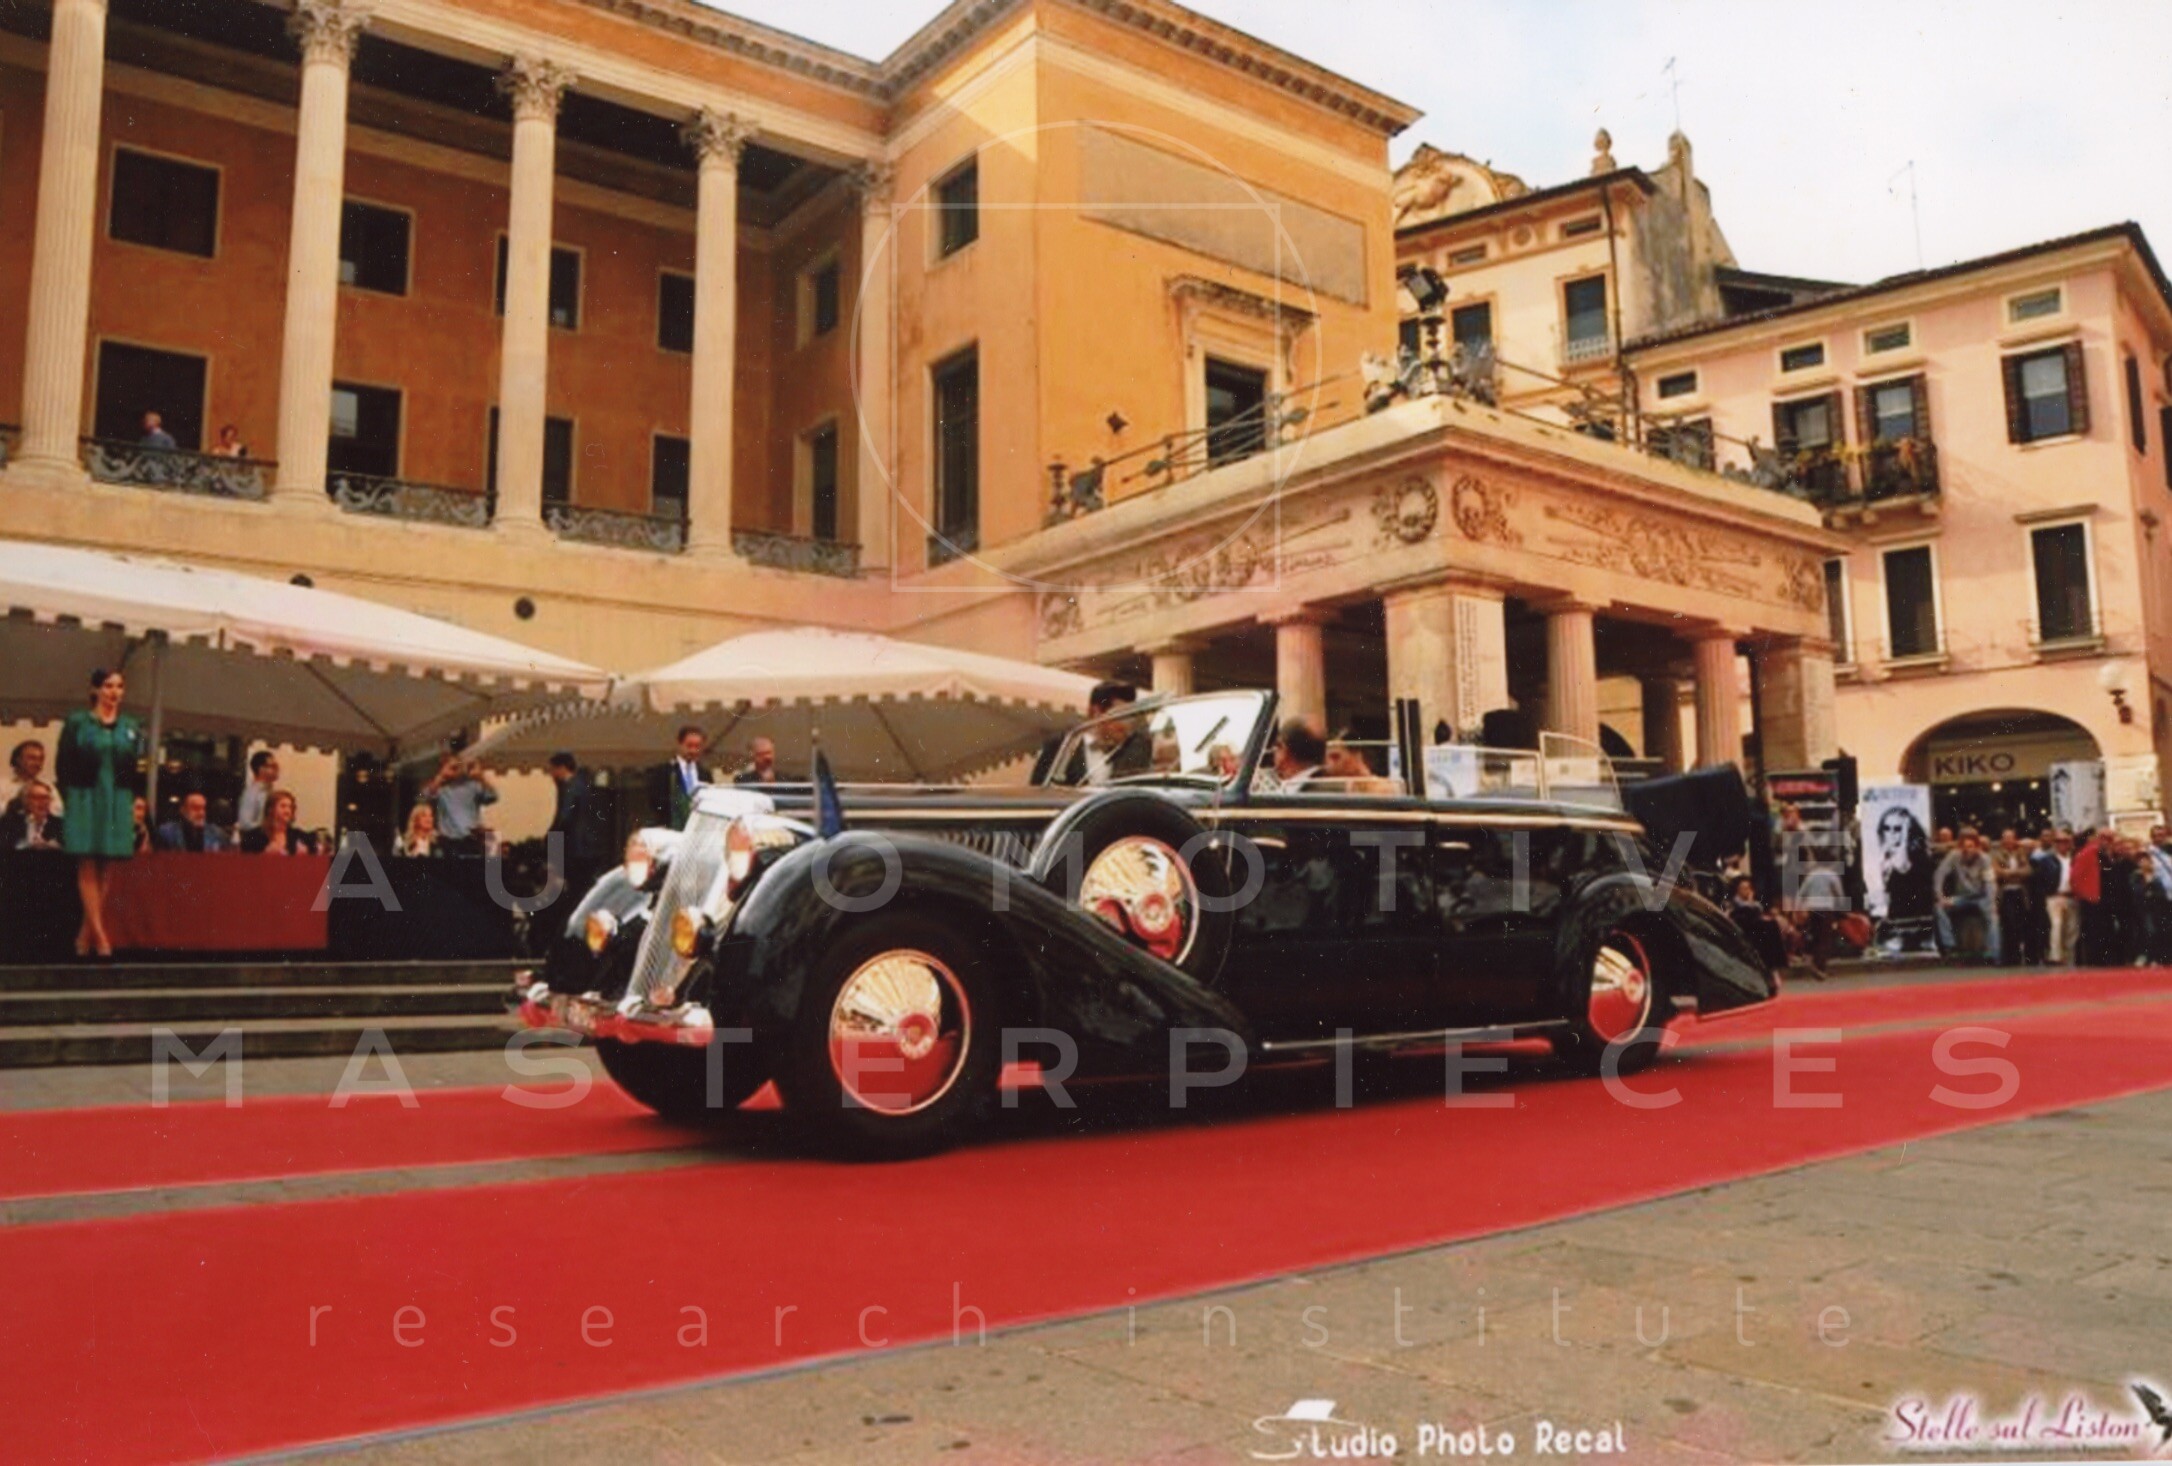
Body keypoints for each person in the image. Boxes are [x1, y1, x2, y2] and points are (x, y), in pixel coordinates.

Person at [56, 668, 145, 958]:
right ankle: (101, 936)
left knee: (107, 863)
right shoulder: (78, 723)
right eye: (108, 686)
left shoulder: (131, 726)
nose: (114, 692)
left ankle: (86, 934)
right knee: (87, 860)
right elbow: (63, 763)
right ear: (95, 690)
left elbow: (136, 766)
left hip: (117, 796)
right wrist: (71, 797)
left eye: (119, 686)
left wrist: (132, 799)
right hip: (85, 794)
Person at [1032, 682, 1137, 785]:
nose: (1128, 724)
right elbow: (1038, 789)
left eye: (1132, 716)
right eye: (1122, 716)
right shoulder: (1061, 747)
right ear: (1096, 712)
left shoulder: (1132, 751)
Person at [1932, 826, 2001, 963]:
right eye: (1964, 846)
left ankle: (1994, 953)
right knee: (1939, 907)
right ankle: (1950, 946)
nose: (1967, 850)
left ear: (1977, 846)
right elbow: (1939, 875)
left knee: (1993, 917)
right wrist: (1940, 896)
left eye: (1970, 846)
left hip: (1981, 897)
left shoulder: (1985, 859)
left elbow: (1990, 883)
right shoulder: (1954, 856)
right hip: (1962, 898)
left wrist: (1991, 902)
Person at [423, 753, 497, 857]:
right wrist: (440, 776)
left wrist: (481, 777)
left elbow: (493, 797)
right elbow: (424, 796)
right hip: (448, 841)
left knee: (489, 859)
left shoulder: (473, 786)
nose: (455, 770)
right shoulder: (441, 789)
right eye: (453, 767)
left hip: (471, 839)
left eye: (458, 767)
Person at [1873, 804, 1936, 924]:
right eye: (1887, 828)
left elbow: (1901, 864)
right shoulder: (1885, 859)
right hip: (1895, 917)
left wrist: (1905, 837)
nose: (1891, 833)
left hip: (1917, 918)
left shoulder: (1917, 858)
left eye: (1897, 828)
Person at [546, 752, 611, 867]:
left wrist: (551, 837)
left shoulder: (571, 788)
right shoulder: (583, 784)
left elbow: (565, 816)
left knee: (571, 874)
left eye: (553, 769)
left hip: (576, 844)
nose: (551, 773)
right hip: (587, 844)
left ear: (562, 768)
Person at [1991, 828, 2038, 966]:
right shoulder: (1996, 854)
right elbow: (1997, 872)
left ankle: (2018, 956)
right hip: (2005, 893)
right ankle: (2008, 957)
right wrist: (2015, 873)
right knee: (2008, 924)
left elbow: (2028, 870)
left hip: (2020, 893)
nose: (2008, 841)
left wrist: (2010, 873)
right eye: (2006, 838)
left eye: (2011, 838)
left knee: (2020, 923)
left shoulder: (2020, 853)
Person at [650, 725, 710, 830]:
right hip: (671, 828)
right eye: (689, 746)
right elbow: (656, 802)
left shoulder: (705, 774)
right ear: (679, 744)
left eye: (697, 746)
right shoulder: (664, 771)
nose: (693, 750)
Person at [2035, 827, 2080, 964]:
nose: (2062, 844)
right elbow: (2040, 880)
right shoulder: (2046, 860)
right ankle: (2055, 956)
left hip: (2071, 896)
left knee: (2072, 928)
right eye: (2059, 841)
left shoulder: (2075, 859)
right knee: (2056, 926)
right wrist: (2046, 894)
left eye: (2066, 841)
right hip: (2054, 897)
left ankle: (2069, 955)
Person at [240, 790, 314, 855]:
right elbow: (245, 862)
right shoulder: (252, 837)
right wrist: (265, 854)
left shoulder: (299, 836)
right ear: (271, 809)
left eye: (290, 807)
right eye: (283, 806)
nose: (287, 811)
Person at [1262, 718, 1327, 792]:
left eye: (1277, 746)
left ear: (1284, 749)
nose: (1273, 752)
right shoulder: (1327, 780)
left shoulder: (1295, 791)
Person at [0, 780, 64, 850]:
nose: (43, 802)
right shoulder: (9, 823)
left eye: (46, 797)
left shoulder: (60, 825)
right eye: (36, 798)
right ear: (26, 801)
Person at [155, 792, 227, 853]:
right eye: (196, 808)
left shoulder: (216, 833)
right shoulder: (167, 832)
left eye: (203, 808)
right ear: (183, 810)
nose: (201, 813)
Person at [3, 739, 55, 815]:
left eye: (41, 759)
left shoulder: (48, 787)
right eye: (32, 758)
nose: (37, 763)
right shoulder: (3, 786)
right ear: (18, 759)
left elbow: (58, 812)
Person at [235, 750, 280, 836]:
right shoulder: (252, 794)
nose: (277, 770)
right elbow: (245, 824)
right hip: (257, 839)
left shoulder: (269, 791)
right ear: (261, 769)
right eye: (273, 766)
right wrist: (267, 827)